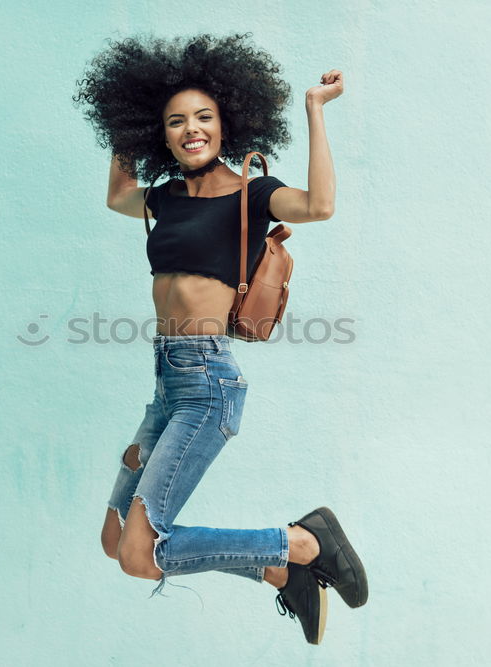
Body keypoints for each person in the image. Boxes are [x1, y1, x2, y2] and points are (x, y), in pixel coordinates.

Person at [72, 33, 367, 645]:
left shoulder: (252, 194)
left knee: (139, 554)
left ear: (226, 122)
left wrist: (313, 109)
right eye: (174, 121)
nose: (190, 130)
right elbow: (117, 196)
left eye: (202, 117)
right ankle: (277, 568)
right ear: (161, 133)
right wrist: (127, 112)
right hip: (167, 385)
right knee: (113, 541)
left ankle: (302, 541)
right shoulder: (165, 198)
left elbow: (320, 205)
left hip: (207, 385)